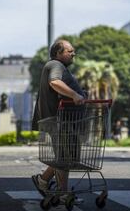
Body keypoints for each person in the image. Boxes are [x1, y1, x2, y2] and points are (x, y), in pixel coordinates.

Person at [31, 39, 86, 201]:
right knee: (64, 157)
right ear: (58, 53)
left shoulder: (57, 66)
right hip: (58, 119)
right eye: (70, 51)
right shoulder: (56, 65)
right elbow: (54, 82)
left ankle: (54, 187)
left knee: (65, 157)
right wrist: (75, 95)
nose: (73, 54)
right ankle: (48, 184)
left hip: (62, 120)